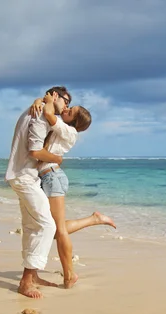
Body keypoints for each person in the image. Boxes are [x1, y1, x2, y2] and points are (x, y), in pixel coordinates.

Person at [31, 94, 116, 288]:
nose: (67, 110)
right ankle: (94, 219)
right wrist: (39, 101)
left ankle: (69, 275)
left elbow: (50, 115)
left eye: (71, 111)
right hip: (47, 177)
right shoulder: (61, 126)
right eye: (69, 107)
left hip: (53, 178)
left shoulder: (70, 132)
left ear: (75, 121)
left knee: (58, 230)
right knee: (50, 230)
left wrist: (47, 100)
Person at [5, 86, 71, 299]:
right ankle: (26, 281)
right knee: (47, 225)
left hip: (22, 175)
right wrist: (57, 159)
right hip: (24, 176)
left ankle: (33, 276)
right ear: (53, 95)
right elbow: (35, 150)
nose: (66, 105)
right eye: (65, 100)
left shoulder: (36, 108)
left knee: (32, 225)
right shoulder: (41, 113)